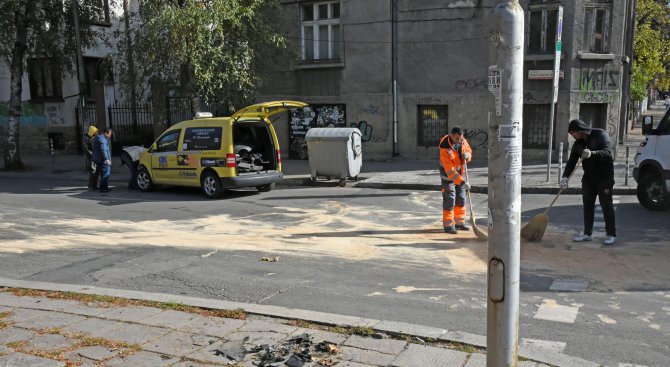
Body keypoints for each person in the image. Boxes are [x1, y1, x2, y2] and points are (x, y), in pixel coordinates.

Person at [560, 119, 616, 245]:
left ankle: (611, 234)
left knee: (606, 206)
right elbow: (572, 161)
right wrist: (565, 177)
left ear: (580, 130)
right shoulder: (578, 143)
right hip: (589, 178)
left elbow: (607, 152)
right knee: (588, 205)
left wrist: (592, 153)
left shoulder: (600, 135)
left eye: (573, 133)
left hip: (604, 177)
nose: (572, 136)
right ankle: (587, 233)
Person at [439, 126, 473, 234]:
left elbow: (468, 150)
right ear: (452, 136)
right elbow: (450, 171)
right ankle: (448, 225)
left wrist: (467, 155)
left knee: (461, 198)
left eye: (461, 138)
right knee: (450, 199)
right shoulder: (444, 147)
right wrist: (462, 182)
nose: (459, 141)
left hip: (460, 174)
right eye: (457, 139)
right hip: (448, 176)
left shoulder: (462, 140)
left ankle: (459, 223)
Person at [91, 127, 113, 193]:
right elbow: (103, 150)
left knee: (104, 174)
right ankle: (103, 188)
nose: (110, 135)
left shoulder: (99, 137)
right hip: (102, 160)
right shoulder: (102, 139)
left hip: (99, 160)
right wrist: (107, 159)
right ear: (106, 133)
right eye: (109, 133)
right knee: (106, 174)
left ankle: (104, 187)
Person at [84, 125, 99, 190]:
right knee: (93, 172)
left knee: (95, 172)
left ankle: (94, 185)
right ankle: (91, 186)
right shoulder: (88, 140)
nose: (97, 133)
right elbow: (88, 150)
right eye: (96, 131)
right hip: (91, 158)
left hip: (93, 157)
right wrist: (93, 155)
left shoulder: (91, 138)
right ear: (92, 132)